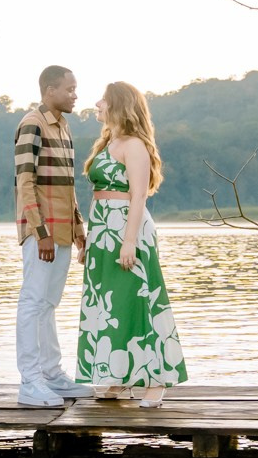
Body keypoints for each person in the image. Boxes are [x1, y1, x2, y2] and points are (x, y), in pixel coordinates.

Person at [76, 81, 189, 406]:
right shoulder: (107, 142)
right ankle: (117, 377)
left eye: (103, 100)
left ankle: (157, 379)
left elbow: (139, 194)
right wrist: (90, 241)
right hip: (103, 230)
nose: (97, 104)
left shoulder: (134, 144)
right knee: (111, 305)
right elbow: (99, 194)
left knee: (140, 300)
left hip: (128, 229)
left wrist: (128, 242)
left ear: (118, 106)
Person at [15, 66, 86, 407]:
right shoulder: (33, 123)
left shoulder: (65, 127)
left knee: (49, 304)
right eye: (70, 89)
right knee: (32, 302)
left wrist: (78, 228)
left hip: (62, 231)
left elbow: (67, 185)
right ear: (49, 90)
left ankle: (53, 375)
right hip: (40, 232)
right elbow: (25, 182)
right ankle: (30, 382)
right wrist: (39, 231)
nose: (75, 94)